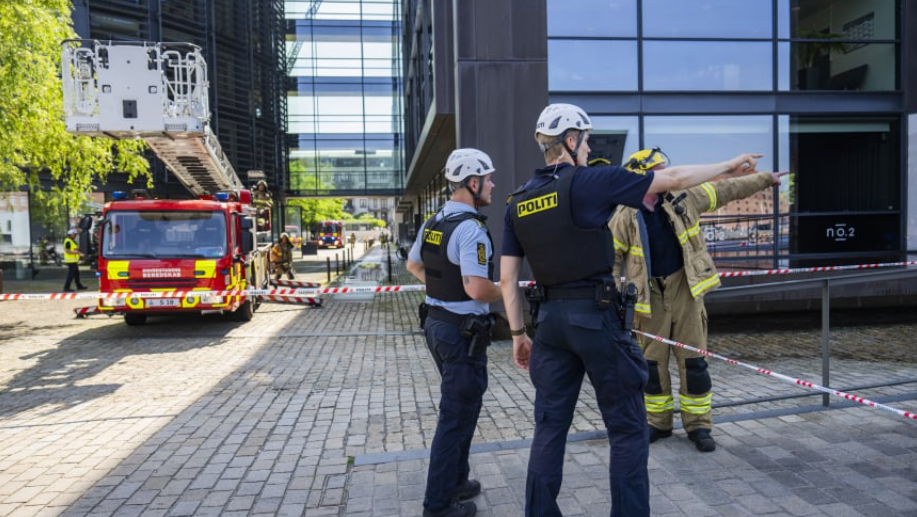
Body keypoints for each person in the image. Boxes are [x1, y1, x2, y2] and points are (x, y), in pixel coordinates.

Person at [500, 103, 762, 517]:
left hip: (548, 324)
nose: (587, 149)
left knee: (549, 428)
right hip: (596, 319)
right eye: (585, 141)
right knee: (626, 429)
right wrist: (728, 165)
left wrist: (518, 335)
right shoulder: (589, 181)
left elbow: (507, 280)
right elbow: (672, 179)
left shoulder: (517, 202)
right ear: (570, 141)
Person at [605, 149, 787, 453]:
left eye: (665, 169)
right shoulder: (624, 214)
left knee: (694, 364)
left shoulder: (684, 197)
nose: (667, 174)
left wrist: (765, 179)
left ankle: (699, 425)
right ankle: (657, 422)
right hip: (648, 299)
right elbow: (608, 261)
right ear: (642, 177)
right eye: (659, 170)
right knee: (650, 367)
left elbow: (725, 190)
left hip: (686, 289)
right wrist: (613, 301)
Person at [407, 148, 502, 517]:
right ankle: (439, 504)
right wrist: (508, 287)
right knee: (455, 416)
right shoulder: (470, 229)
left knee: (464, 408)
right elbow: (478, 289)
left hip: (437, 325)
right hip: (461, 333)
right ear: (473, 183)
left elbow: (414, 264)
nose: (493, 184)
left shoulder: (435, 222)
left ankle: (457, 480)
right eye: (489, 178)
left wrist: (444, 291)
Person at [62, 228, 88, 292]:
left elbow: (74, 249)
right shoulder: (68, 241)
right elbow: (67, 251)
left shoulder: (72, 241)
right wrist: (78, 253)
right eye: (74, 234)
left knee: (76, 274)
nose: (75, 235)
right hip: (71, 261)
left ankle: (79, 286)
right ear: (70, 235)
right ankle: (66, 287)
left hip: (74, 260)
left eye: (76, 234)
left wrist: (79, 255)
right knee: (71, 275)